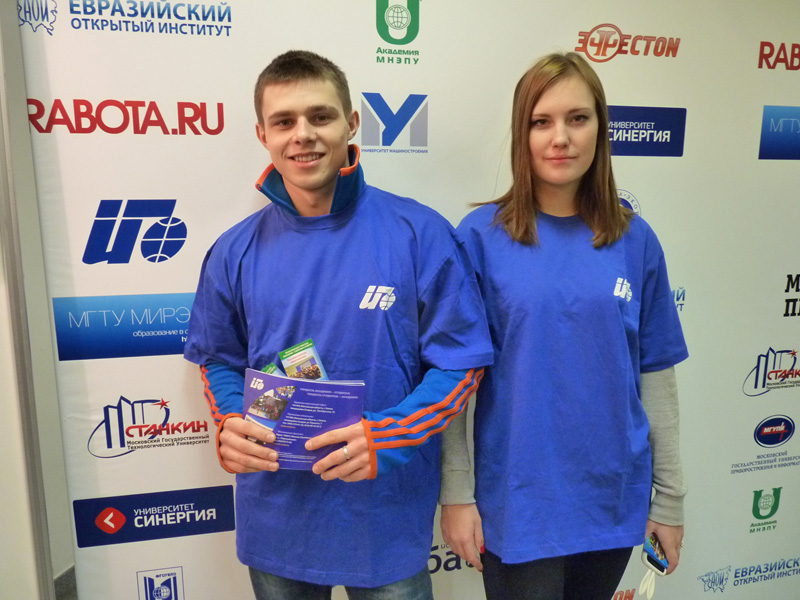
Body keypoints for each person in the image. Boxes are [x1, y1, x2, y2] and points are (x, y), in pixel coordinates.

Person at [183, 50, 493, 599]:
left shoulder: (419, 233)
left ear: (351, 123)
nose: (303, 134)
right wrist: (230, 420)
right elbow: (218, 359)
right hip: (276, 517)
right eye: (284, 121)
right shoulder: (234, 250)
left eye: (320, 116)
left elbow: (460, 365)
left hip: (383, 517)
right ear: (262, 134)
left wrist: (388, 433)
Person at [439, 52, 689, 600]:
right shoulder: (479, 237)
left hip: (612, 498)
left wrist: (669, 500)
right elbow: (453, 378)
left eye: (578, 118)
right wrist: (456, 492)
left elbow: (656, 376)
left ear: (600, 127)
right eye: (541, 121)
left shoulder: (636, 239)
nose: (561, 138)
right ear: (521, 133)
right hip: (521, 503)